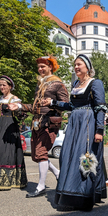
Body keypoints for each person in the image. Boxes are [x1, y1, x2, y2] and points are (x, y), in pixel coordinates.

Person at [41, 54, 107, 211]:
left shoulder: (95, 83)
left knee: (86, 157)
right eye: (75, 65)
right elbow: (71, 106)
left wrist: (99, 130)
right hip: (74, 125)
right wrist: (53, 103)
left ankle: (85, 195)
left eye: (79, 64)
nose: (76, 67)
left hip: (87, 124)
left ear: (87, 67)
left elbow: (101, 108)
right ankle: (71, 191)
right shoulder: (76, 84)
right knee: (67, 156)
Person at [9, 55, 69, 198]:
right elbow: (34, 106)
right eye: (39, 67)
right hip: (36, 123)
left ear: (50, 67)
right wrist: (18, 106)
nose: (40, 69)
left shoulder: (58, 84)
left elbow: (66, 104)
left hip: (49, 123)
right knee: (37, 156)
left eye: (43, 66)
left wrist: (52, 102)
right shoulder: (40, 84)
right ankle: (57, 173)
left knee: (41, 153)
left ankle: (41, 187)